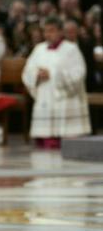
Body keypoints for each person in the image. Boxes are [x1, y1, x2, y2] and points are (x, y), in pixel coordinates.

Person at [22, 17, 91, 148]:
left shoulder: (71, 49)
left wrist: (52, 74)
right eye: (45, 31)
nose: (48, 34)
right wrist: (36, 74)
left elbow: (78, 74)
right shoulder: (39, 49)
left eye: (52, 31)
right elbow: (27, 71)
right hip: (45, 96)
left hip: (65, 99)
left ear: (60, 32)